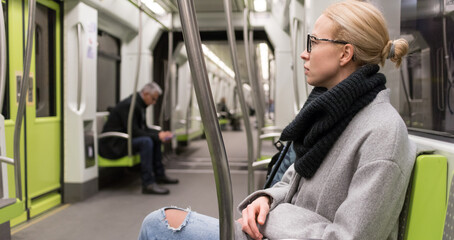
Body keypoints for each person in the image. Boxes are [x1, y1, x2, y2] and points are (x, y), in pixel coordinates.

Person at [138, 0, 416, 239]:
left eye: (314, 42)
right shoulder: (334, 113)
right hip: (282, 230)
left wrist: (274, 219)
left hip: (280, 232)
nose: (304, 53)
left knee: (158, 225)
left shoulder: (382, 133)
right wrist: (268, 198)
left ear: (345, 53)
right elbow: (293, 180)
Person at [99, 82, 178, 195]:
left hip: (124, 140)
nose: (154, 103)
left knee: (154, 139)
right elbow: (134, 131)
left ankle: (159, 175)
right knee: (146, 141)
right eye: (153, 99)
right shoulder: (130, 106)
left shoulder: (139, 105)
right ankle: (148, 183)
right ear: (146, 94)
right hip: (114, 144)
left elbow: (143, 129)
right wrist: (157, 136)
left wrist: (159, 134)